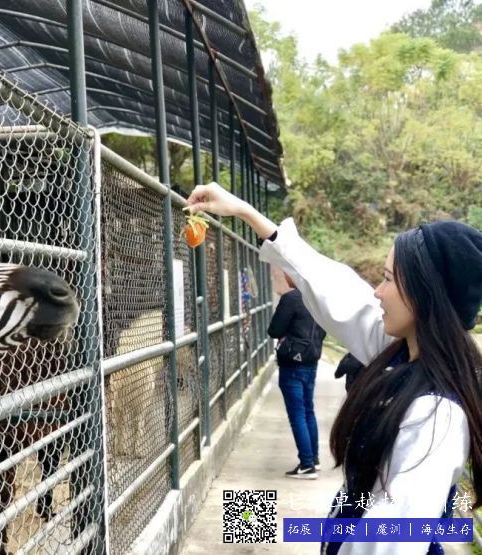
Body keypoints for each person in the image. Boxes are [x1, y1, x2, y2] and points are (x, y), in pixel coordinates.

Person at [185, 182, 482, 555]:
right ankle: (308, 461)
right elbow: (337, 291)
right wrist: (247, 213)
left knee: (299, 413)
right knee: (304, 413)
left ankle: (305, 462)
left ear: (426, 295)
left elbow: (391, 541)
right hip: (308, 371)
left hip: (294, 370)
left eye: (388, 279)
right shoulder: (404, 353)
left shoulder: (436, 412)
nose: (377, 291)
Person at [269, 270, 326, 479]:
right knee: (308, 410)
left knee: (297, 414)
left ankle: (307, 465)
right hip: (311, 360)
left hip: (292, 362)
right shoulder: (317, 297)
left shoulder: (291, 298)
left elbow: (274, 330)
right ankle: (314, 459)